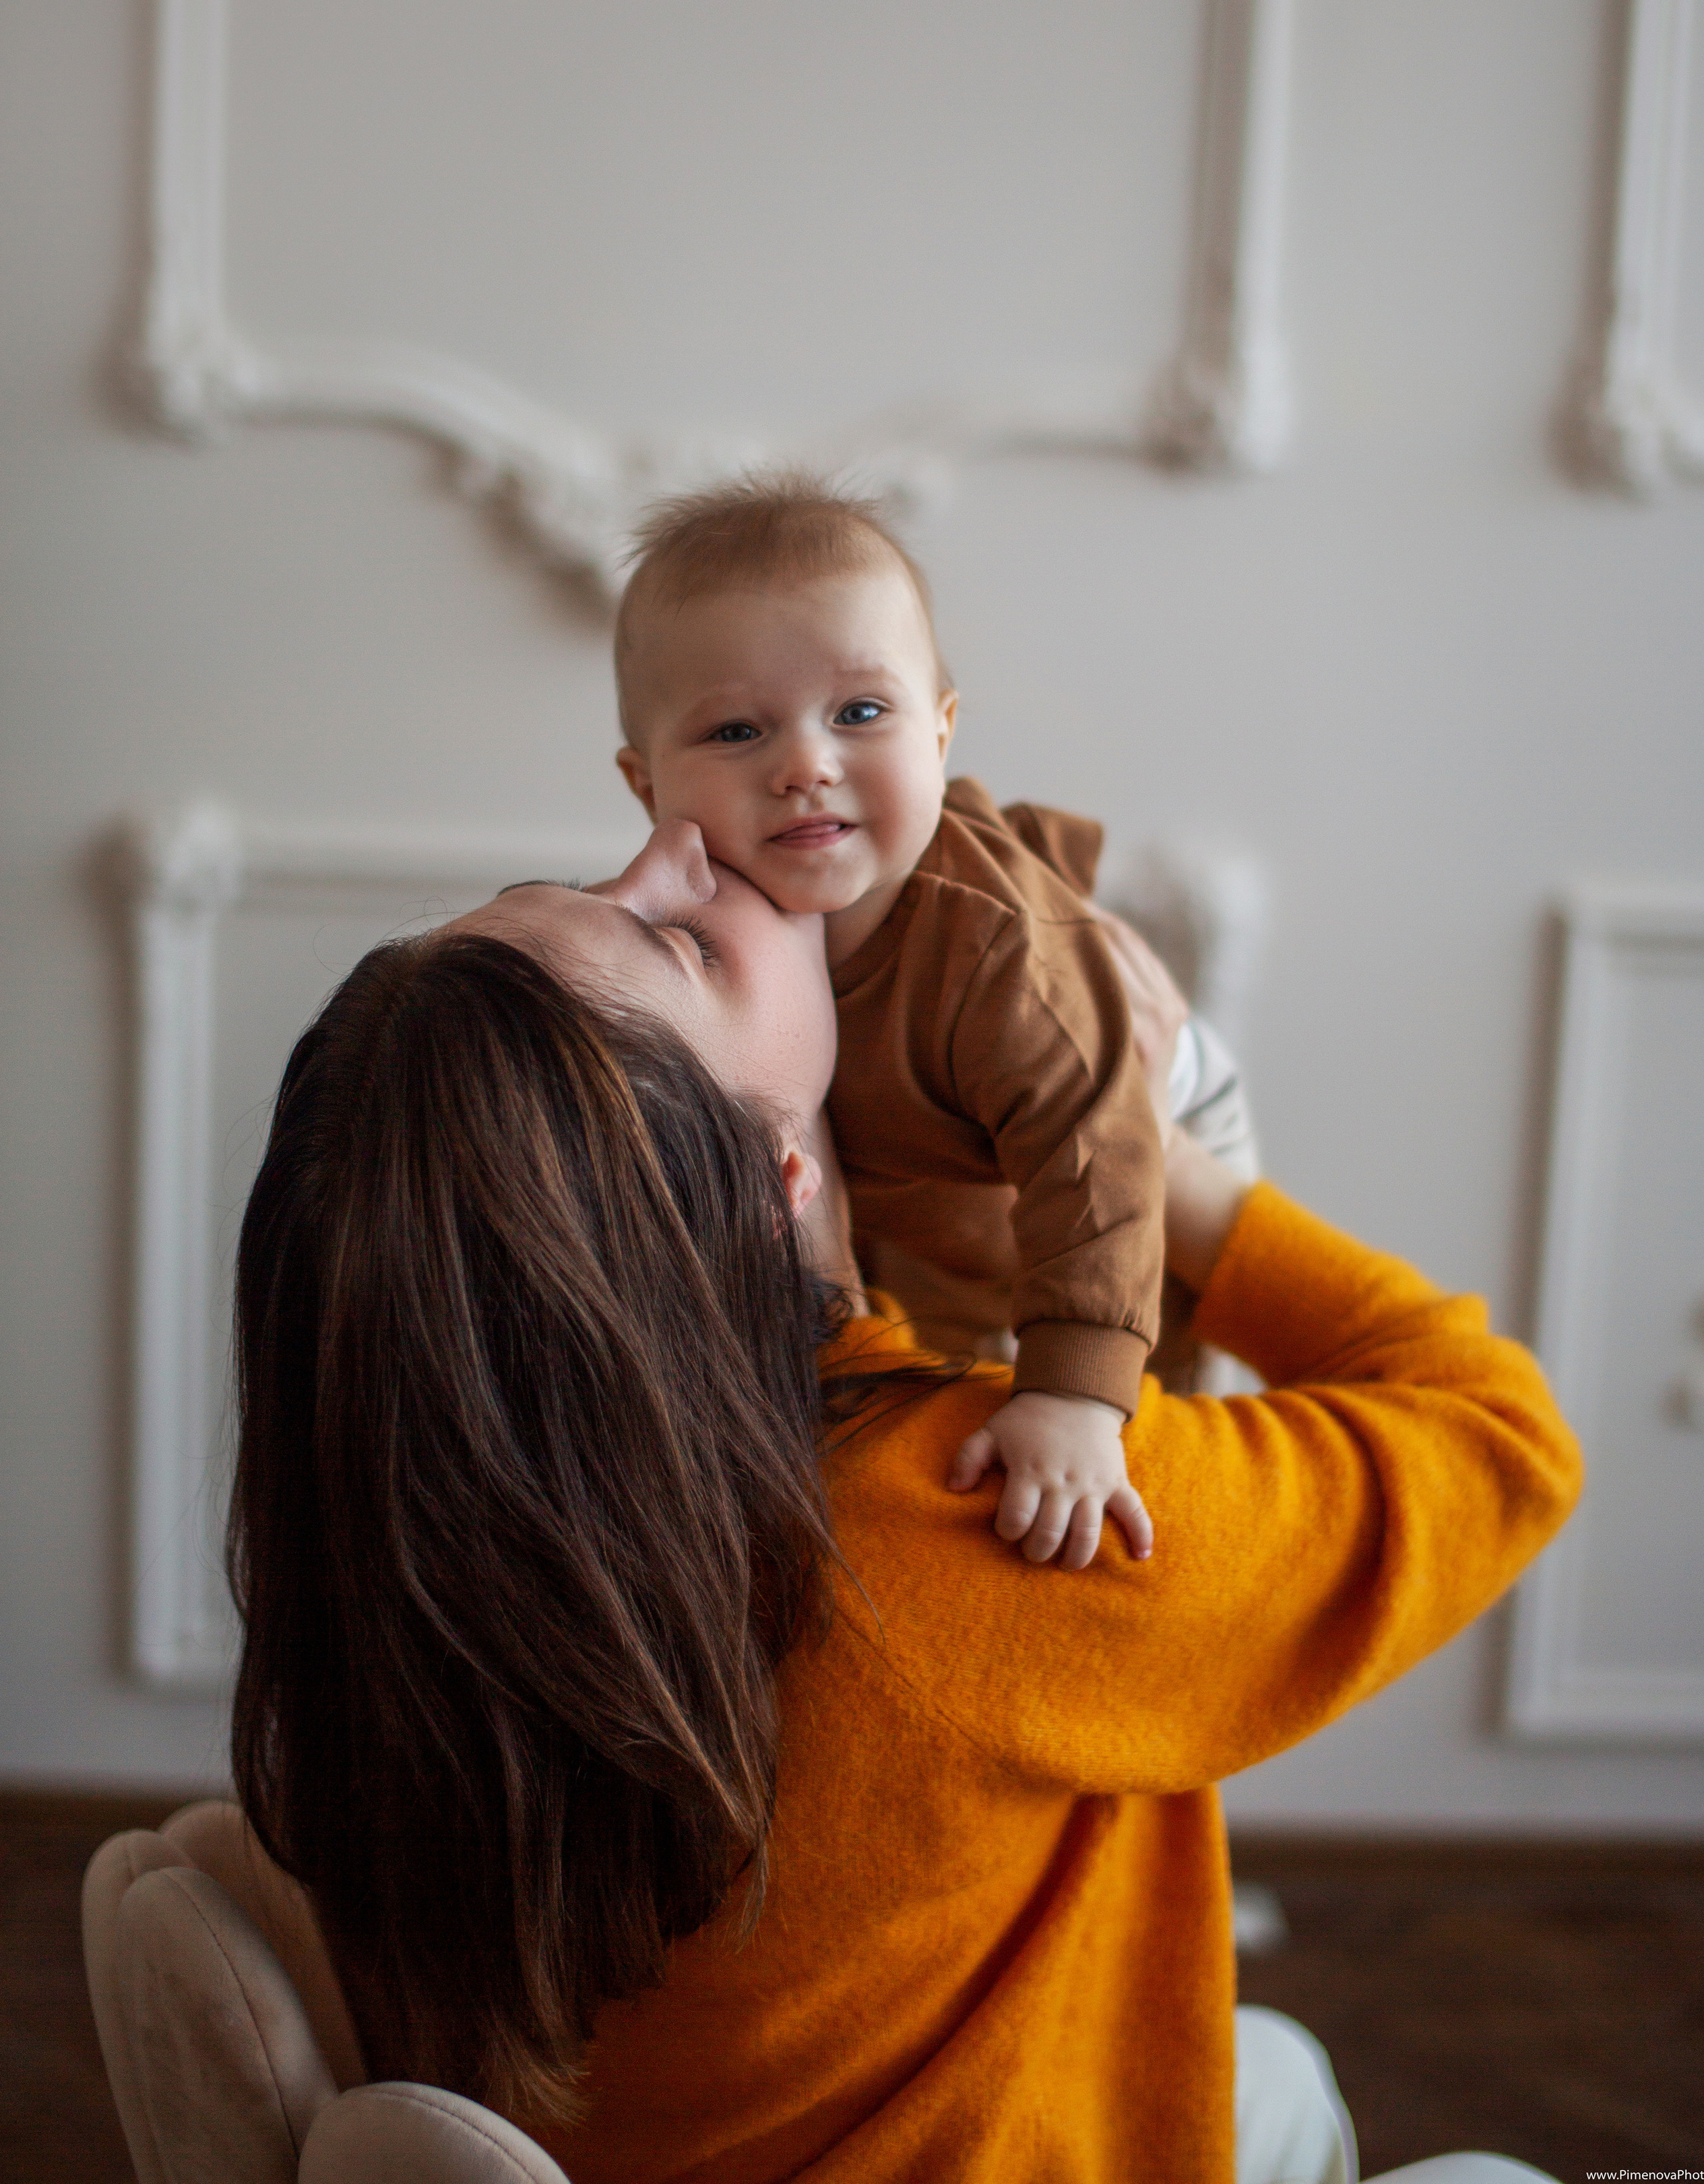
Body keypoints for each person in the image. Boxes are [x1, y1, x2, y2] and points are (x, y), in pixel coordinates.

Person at [227, 822, 1579, 2184]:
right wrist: (1129, 1153)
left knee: (1271, 2066)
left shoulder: (408, 1519)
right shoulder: (958, 1515)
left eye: (580, 889)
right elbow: (1495, 1431)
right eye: (686, 946)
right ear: (771, 1180)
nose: (675, 844)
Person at [612, 472, 1253, 1569]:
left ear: (943, 732)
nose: (806, 766)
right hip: (925, 1169)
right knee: (946, 1347)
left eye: (860, 714)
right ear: (646, 783)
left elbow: (1095, 1164)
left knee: (1143, 1376)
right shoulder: (692, 921)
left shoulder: (997, 949)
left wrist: (1080, 1397)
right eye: (735, 730)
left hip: (1133, 1122)